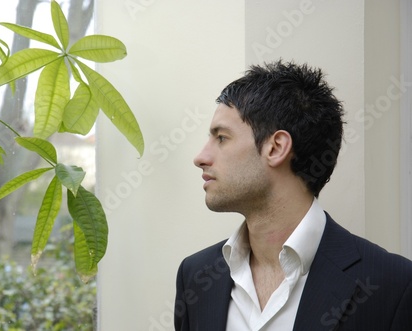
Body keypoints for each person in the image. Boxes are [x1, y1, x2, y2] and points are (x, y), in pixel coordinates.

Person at [174, 60, 412, 331]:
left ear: (276, 148)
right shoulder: (196, 276)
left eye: (222, 138)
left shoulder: (391, 285)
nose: (201, 158)